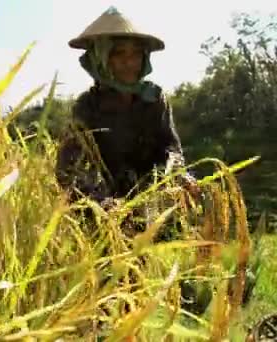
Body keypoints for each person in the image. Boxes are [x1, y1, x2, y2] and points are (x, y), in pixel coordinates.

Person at [55, 6, 215, 322]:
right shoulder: (86, 108)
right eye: (119, 55)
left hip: (148, 194)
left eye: (135, 55)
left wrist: (178, 175)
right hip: (105, 206)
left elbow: (171, 147)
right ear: (101, 59)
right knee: (109, 279)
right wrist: (102, 202)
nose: (129, 63)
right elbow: (69, 168)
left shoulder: (155, 99)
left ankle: (182, 301)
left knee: (152, 260)